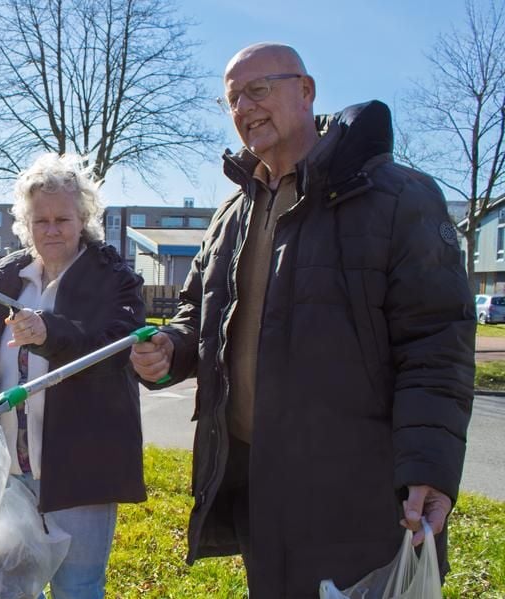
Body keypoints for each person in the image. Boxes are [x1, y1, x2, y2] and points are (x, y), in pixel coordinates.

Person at [130, 43, 475, 597]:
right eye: (232, 98)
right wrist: (171, 349)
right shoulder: (231, 214)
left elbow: (436, 341)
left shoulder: (396, 197)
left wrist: (430, 467)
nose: (244, 107)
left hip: (357, 489)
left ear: (306, 90)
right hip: (255, 477)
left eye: (258, 90)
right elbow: (198, 314)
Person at [0, 152, 147, 599]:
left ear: (84, 219)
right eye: (41, 220)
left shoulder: (114, 280)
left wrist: (49, 331)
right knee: (9, 588)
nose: (52, 229)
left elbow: (115, 350)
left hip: (82, 474)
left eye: (64, 218)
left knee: (78, 587)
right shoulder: (5, 282)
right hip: (8, 473)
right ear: (26, 223)